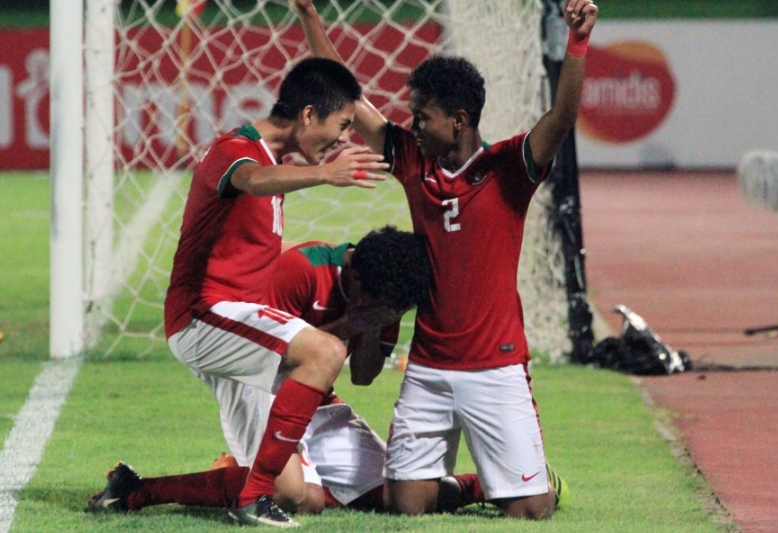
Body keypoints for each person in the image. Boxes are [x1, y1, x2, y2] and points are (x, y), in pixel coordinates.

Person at [292, 0, 597, 520]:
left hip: (497, 368)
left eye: (422, 117)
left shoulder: (509, 169)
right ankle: (473, 484)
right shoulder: (413, 161)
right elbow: (351, 97)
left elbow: (562, 116)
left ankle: (526, 482)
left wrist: (578, 41)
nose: (411, 127)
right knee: (407, 507)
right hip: (429, 367)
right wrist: (307, 16)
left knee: (530, 511)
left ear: (458, 121)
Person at [89, 228, 487, 520]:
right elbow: (265, 355)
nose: (391, 314)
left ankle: (488, 487)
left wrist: (370, 324)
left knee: (395, 495)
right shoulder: (300, 270)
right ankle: (136, 490)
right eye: (384, 307)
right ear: (357, 278)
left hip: (312, 398)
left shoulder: (386, 294)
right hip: (252, 381)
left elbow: (364, 377)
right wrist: (349, 324)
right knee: (297, 496)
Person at [164, 57, 393, 527]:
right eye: (342, 125)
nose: (343, 139)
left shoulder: (275, 167)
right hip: (204, 315)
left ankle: (136, 490)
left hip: (232, 326)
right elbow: (251, 180)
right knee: (325, 350)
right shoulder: (238, 151)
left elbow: (255, 243)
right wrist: (327, 174)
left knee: (296, 494)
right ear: (309, 115)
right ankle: (250, 498)